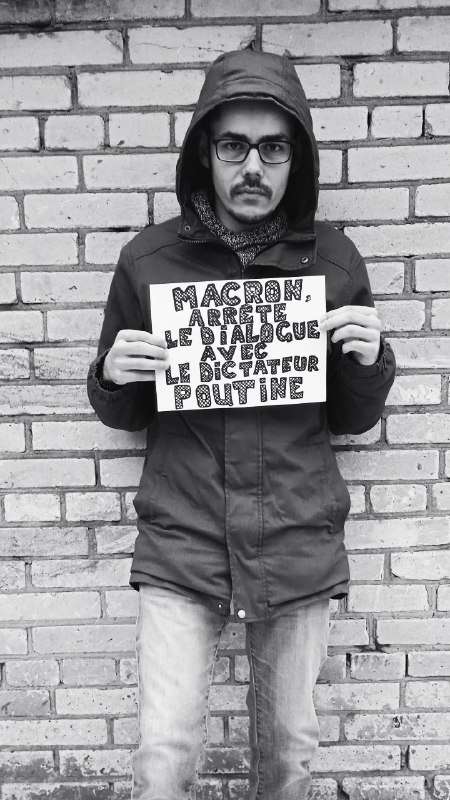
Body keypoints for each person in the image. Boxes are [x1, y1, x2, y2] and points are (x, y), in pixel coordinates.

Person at [87, 44, 395, 800]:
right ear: (206, 153)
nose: (253, 167)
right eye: (234, 146)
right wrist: (111, 375)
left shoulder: (334, 262)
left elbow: (353, 418)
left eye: (273, 148)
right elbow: (125, 410)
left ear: (297, 158)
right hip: (182, 540)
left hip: (296, 538)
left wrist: (368, 361)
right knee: (164, 756)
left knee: (288, 758)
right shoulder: (149, 261)